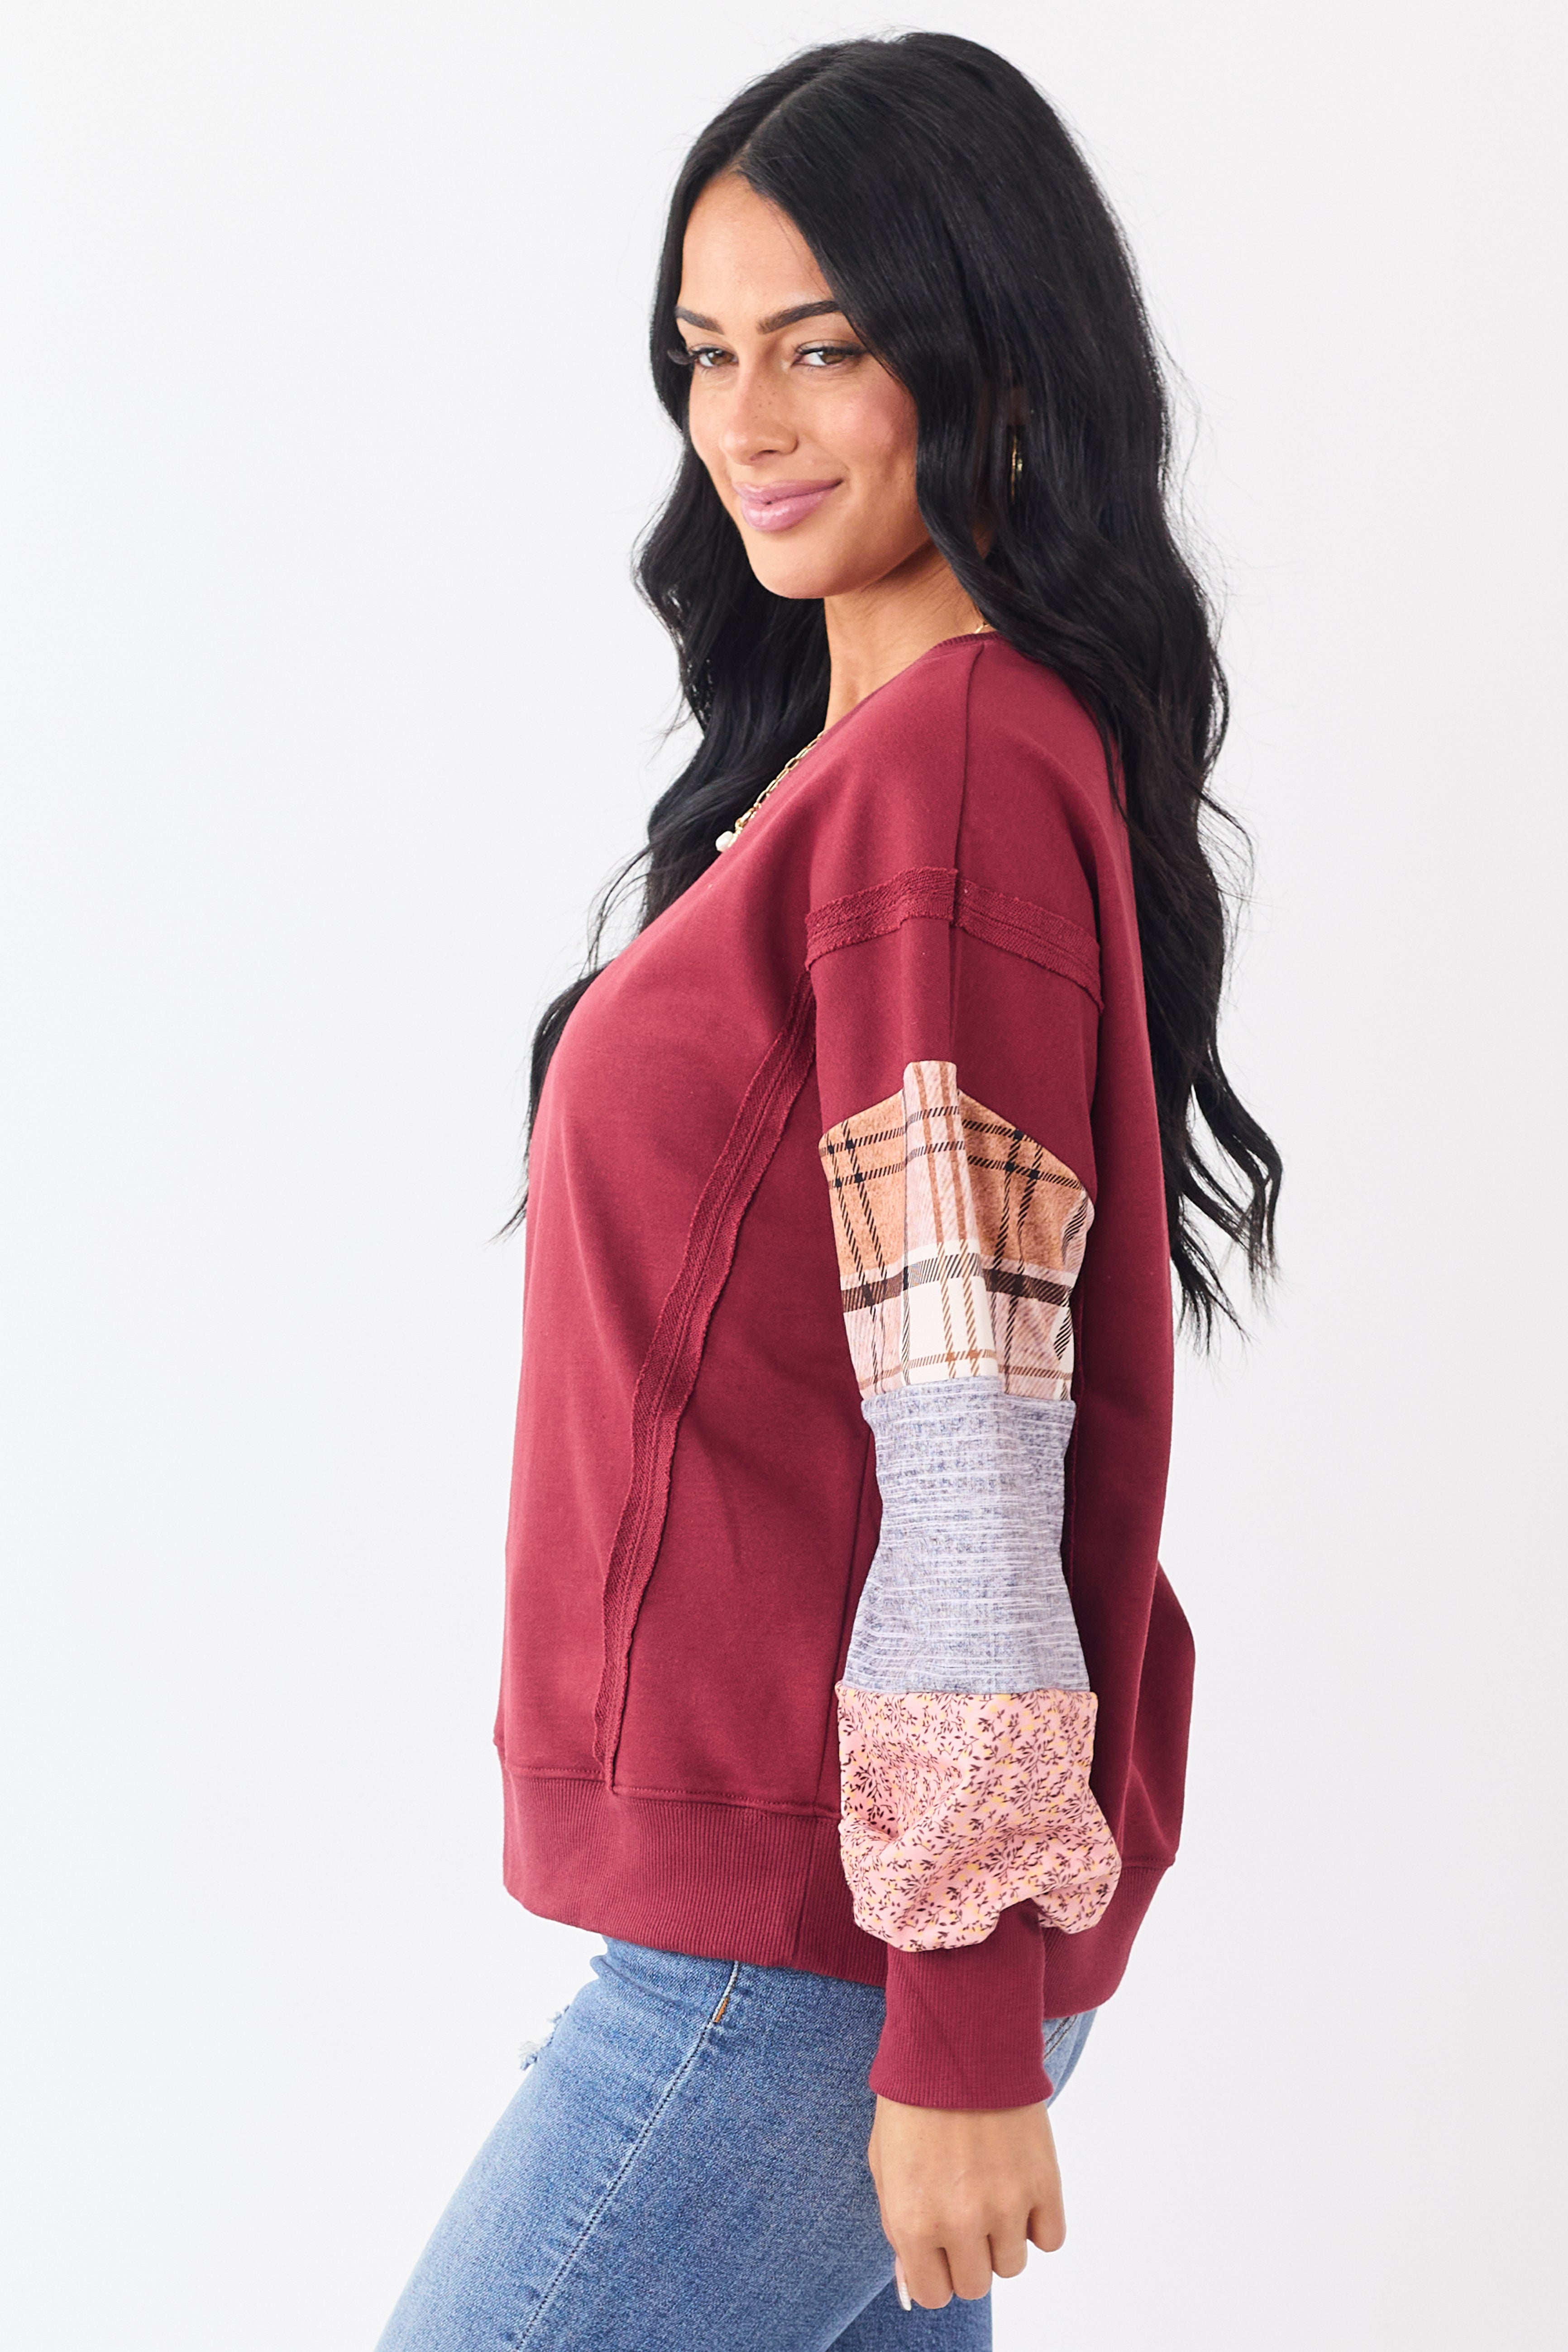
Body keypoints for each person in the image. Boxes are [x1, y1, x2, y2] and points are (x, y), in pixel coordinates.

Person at [376, 31, 1279, 2352]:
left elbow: (969, 1418)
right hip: (834, 1930)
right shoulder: (862, 768)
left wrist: (957, 2010)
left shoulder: (947, 782)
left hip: (821, 1950)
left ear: (986, 361)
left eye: (821, 346)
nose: (745, 422)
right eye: (705, 352)